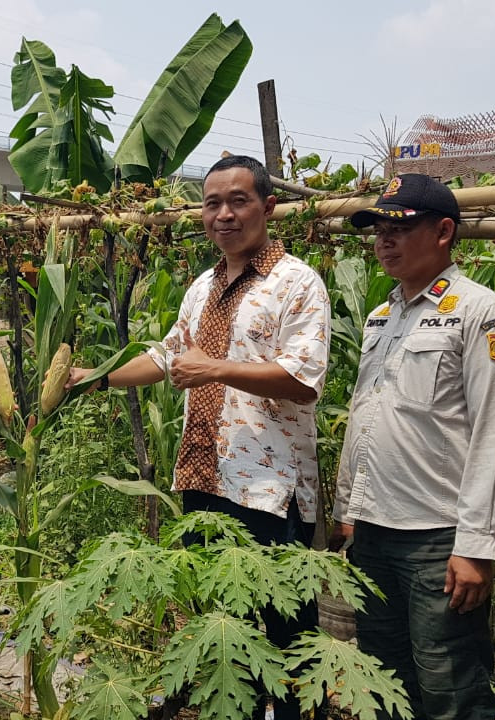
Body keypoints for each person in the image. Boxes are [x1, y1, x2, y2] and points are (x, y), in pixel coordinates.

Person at [69, 155, 331, 720]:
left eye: (238, 201)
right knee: (218, 623)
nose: (224, 214)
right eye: (213, 203)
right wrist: (96, 379)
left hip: (268, 489)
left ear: (269, 206)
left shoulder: (297, 283)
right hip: (202, 477)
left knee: (286, 628)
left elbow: (303, 380)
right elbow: (168, 356)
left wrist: (214, 368)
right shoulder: (202, 286)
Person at [330, 174, 495, 720]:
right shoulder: (381, 317)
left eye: (401, 227)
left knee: (449, 683)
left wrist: (476, 544)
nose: (384, 241)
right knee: (385, 677)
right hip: (373, 533)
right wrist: (348, 510)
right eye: (377, 230)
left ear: (444, 232)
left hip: (437, 538)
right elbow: (366, 416)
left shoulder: (481, 314)